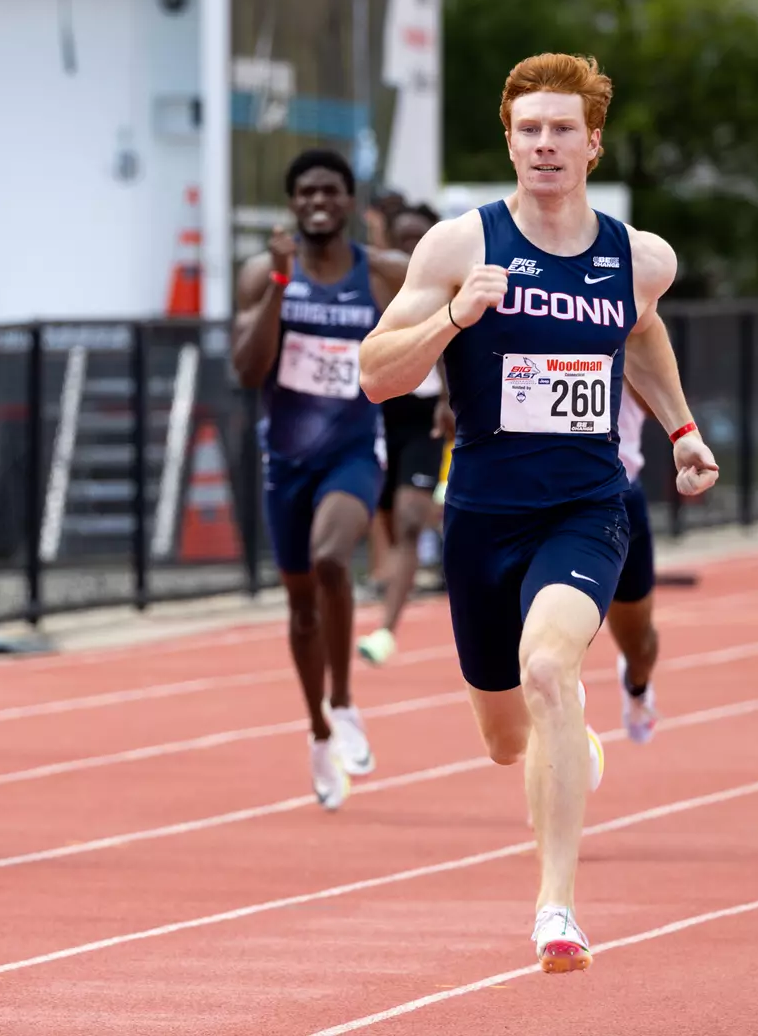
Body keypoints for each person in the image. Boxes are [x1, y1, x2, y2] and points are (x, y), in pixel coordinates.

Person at [358, 53, 718, 973]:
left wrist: (679, 427)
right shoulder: (457, 248)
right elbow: (373, 373)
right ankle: (570, 750)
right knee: (503, 735)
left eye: (562, 129)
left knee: (551, 667)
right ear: (508, 141)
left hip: (585, 503)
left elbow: (641, 332)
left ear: (592, 143)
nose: (544, 145)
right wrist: (451, 323)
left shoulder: (638, 257)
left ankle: (556, 910)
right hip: (481, 512)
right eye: (528, 130)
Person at [230, 148, 409, 811]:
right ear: (291, 203)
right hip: (284, 461)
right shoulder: (262, 274)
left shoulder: (383, 273)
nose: (317, 202)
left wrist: (447, 398)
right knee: (300, 604)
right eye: (305, 192)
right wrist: (279, 286)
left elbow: (439, 332)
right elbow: (248, 370)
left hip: (354, 451)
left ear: (349, 202)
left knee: (332, 559)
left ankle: (343, 701)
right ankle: (316, 730)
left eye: (329, 191)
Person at [357, 203, 453, 668]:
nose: (413, 247)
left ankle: (386, 629)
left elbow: (449, 345)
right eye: (404, 239)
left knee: (411, 519)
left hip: (424, 416)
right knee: (393, 520)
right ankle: (461, 525)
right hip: (379, 412)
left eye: (421, 238)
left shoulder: (443, 283)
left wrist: (447, 398)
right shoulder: (380, 279)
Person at [611, 378, 661, 743]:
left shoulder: (629, 328)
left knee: (640, 645)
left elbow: (655, 400)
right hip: (549, 500)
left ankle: (637, 686)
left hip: (621, 496)